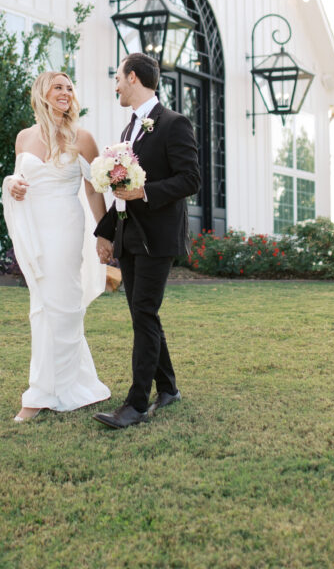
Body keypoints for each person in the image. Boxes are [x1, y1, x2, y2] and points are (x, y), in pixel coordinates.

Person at [93, 53, 201, 429]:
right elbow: (123, 191)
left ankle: (136, 404)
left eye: (118, 78)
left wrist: (146, 193)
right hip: (130, 236)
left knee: (143, 312)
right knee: (144, 315)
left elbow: (191, 180)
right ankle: (168, 388)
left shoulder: (174, 123)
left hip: (159, 238)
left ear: (134, 78)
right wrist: (105, 232)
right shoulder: (127, 132)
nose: (116, 85)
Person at [2, 71, 110, 422]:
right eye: (58, 86)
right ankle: (74, 383)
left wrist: (105, 234)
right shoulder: (23, 138)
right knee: (41, 307)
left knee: (62, 304)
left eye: (69, 87)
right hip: (36, 227)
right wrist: (13, 185)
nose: (65, 92)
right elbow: (20, 179)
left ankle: (40, 394)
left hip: (65, 225)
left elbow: (93, 189)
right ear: (42, 93)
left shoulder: (83, 137)